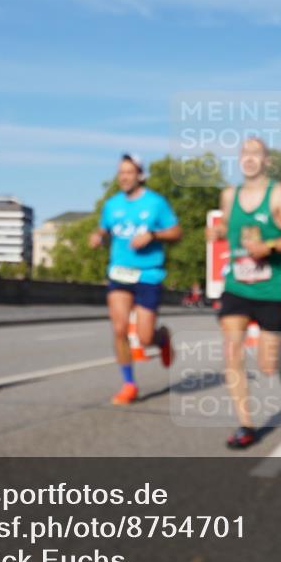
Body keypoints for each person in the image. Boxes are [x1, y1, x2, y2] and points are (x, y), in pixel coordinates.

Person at [207, 137, 281, 449]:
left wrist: (271, 246)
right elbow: (228, 225)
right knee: (232, 351)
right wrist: (218, 232)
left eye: (255, 153)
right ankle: (246, 425)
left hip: (271, 287)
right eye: (244, 153)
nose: (249, 158)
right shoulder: (229, 195)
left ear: (266, 160)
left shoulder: (279, 194)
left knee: (267, 365)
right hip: (237, 285)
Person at [89, 154, 181, 405]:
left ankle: (162, 337)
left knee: (144, 338)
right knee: (119, 329)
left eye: (129, 172)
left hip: (148, 274)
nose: (124, 177)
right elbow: (104, 227)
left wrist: (152, 235)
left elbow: (176, 232)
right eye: (121, 172)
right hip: (119, 272)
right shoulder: (112, 204)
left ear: (140, 175)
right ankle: (129, 384)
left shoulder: (156, 203)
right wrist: (97, 236)